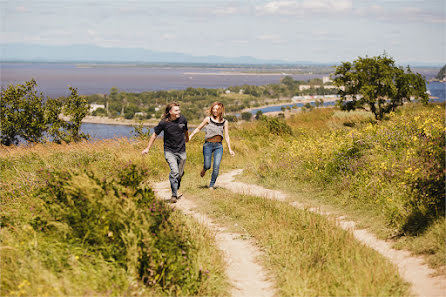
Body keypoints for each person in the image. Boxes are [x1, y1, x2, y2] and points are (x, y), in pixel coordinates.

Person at [142, 102, 188, 202]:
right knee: (174, 172)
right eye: (176, 110)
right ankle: (174, 195)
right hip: (169, 151)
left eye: (179, 110)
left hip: (181, 150)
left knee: (179, 173)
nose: (178, 112)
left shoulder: (183, 119)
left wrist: (187, 138)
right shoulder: (164, 123)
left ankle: (178, 179)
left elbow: (185, 130)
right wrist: (147, 148)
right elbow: (154, 135)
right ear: (170, 112)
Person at [189, 102, 235, 189]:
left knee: (216, 166)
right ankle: (204, 169)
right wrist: (191, 136)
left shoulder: (225, 122)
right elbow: (199, 128)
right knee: (207, 165)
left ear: (221, 110)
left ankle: (211, 185)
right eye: (213, 108)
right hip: (208, 145)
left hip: (218, 146)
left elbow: (227, 136)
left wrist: (230, 149)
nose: (215, 110)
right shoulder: (208, 119)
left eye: (217, 109)